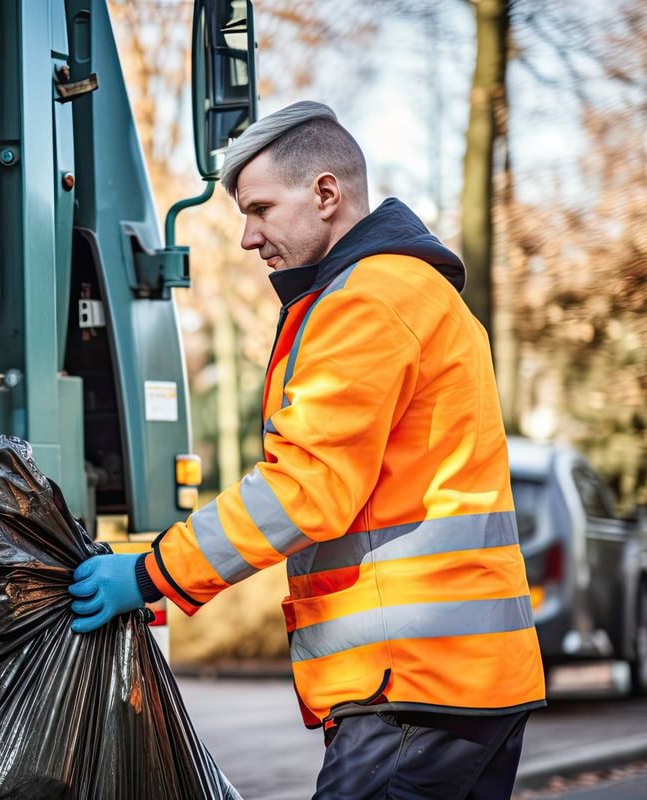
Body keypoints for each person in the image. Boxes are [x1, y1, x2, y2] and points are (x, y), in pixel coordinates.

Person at [68, 101, 546, 798]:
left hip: (409, 681)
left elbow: (304, 489)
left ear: (326, 194)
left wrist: (150, 574)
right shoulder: (412, 292)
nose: (246, 238)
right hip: (455, 677)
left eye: (259, 208)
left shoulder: (365, 301)